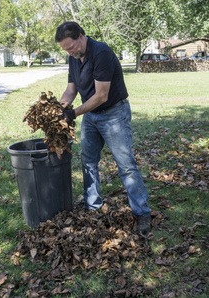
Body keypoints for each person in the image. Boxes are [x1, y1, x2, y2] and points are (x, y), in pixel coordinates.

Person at [55, 21, 151, 234]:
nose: (70, 52)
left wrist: (73, 114)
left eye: (71, 47)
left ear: (81, 36)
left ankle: (142, 213)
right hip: (91, 116)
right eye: (65, 50)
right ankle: (92, 207)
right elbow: (71, 90)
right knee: (88, 160)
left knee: (125, 165)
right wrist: (59, 109)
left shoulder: (101, 53)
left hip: (113, 114)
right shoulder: (74, 58)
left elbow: (101, 95)